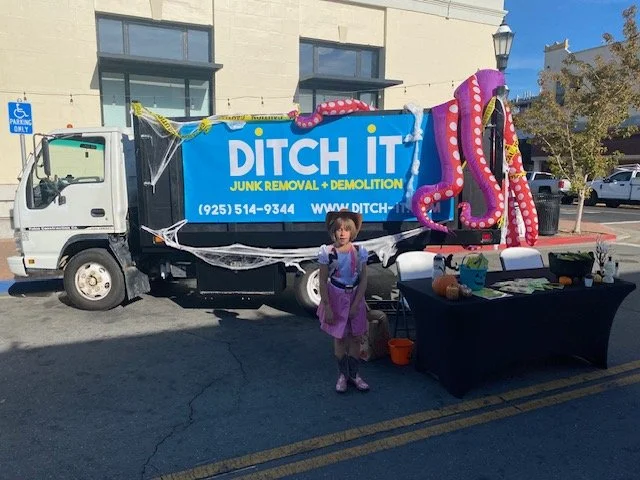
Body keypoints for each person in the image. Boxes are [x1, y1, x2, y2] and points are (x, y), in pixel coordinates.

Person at [317, 209, 370, 393]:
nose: (342, 233)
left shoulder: (360, 251)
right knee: (339, 338)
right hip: (336, 297)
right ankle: (342, 375)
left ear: (352, 231)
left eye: (346, 229)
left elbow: (363, 279)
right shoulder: (327, 252)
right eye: (339, 229)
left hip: (355, 296)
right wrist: (327, 306)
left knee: (355, 337)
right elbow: (322, 281)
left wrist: (356, 304)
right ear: (333, 231)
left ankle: (354, 375)